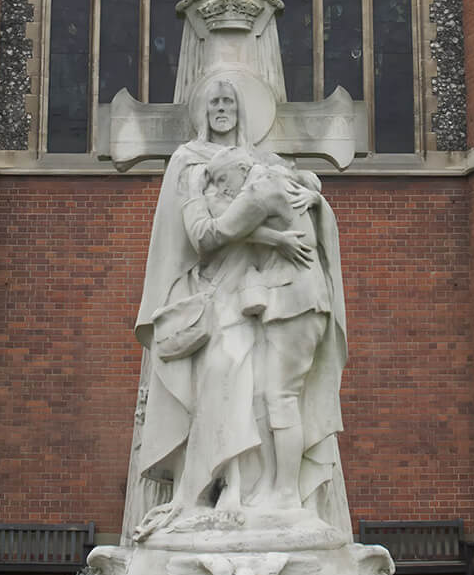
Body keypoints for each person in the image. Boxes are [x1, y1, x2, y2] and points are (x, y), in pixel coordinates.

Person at [133, 76, 348, 533]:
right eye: (213, 102)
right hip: (217, 292)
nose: (221, 109)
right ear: (201, 112)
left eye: (229, 101)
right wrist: (274, 235)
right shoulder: (189, 162)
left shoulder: (259, 166)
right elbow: (199, 237)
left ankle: (253, 493)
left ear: (242, 111)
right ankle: (220, 489)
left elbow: (298, 185)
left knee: (262, 392)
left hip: (262, 295)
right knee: (223, 378)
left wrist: (313, 193)